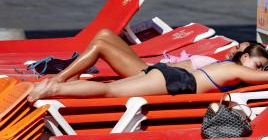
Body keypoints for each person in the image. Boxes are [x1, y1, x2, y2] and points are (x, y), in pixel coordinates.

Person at [27, 43, 268, 102]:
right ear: (244, 57)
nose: (257, 71)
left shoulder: (229, 68)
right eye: (257, 64)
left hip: (171, 77)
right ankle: (54, 88)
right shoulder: (235, 68)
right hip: (176, 80)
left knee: (112, 90)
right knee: (110, 91)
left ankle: (56, 87)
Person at [43, 29, 257, 84]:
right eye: (237, 45)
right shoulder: (219, 63)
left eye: (240, 49)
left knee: (100, 45)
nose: (234, 48)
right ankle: (73, 75)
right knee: (105, 34)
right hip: (151, 67)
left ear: (246, 58)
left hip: (149, 75)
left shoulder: (225, 70)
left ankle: (60, 79)